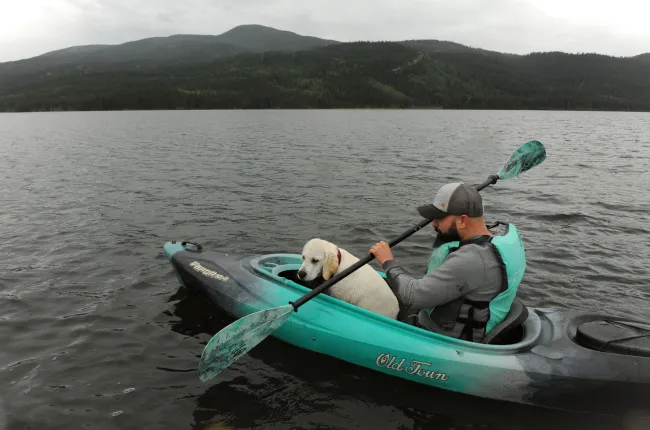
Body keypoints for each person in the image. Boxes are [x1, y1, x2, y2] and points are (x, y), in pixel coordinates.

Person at [369, 182, 526, 343]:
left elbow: (413, 296)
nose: (433, 223)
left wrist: (387, 261)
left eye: (439, 218)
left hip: (443, 337)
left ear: (463, 221)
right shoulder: (495, 240)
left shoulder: (473, 258)